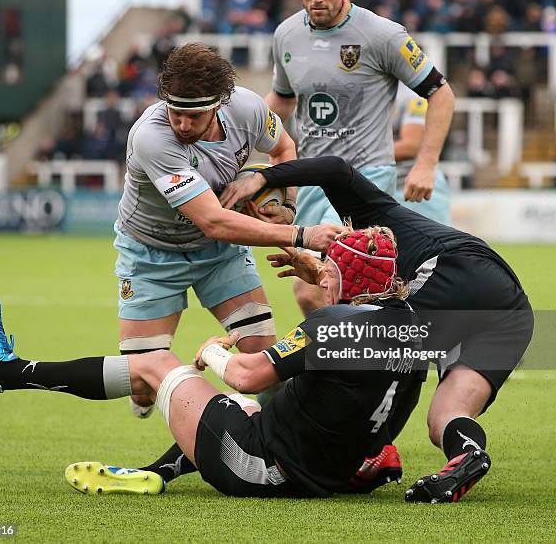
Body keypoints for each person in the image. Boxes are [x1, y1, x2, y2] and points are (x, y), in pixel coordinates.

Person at [0, 226, 428, 498]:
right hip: (333, 473)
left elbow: (247, 376)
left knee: (156, 363)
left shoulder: (334, 323)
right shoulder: (413, 327)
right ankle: (161, 472)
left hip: (261, 467)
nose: (320, 278)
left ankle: (2, 370)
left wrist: (211, 352)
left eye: (326, 271)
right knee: (242, 409)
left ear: (339, 278)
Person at [220, 156, 533, 503]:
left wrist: (261, 177)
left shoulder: (373, 215)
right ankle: (467, 454)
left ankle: (372, 450)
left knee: (374, 347)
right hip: (511, 312)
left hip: (456, 270)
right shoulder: (373, 240)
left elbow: (335, 170)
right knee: (446, 414)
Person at [114, 43, 341, 418]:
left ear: (219, 103)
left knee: (264, 363)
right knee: (141, 386)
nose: (183, 124)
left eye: (195, 115)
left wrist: (286, 205)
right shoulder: (152, 138)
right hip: (151, 254)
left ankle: (266, 440)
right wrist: (300, 234)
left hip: (218, 254)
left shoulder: (249, 108)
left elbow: (284, 148)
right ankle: (150, 393)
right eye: (175, 112)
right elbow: (213, 220)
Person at [263, 0, 455, 317]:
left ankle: (366, 369)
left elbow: (441, 93)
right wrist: (245, 141)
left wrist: (426, 163)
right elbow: (281, 101)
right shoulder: (286, 35)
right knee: (308, 294)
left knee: (336, 282)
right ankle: (351, 366)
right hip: (311, 181)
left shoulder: (383, 35)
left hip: (365, 177)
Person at [393, 85, 451, 225]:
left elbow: (410, 147)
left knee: (436, 245)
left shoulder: (412, 95)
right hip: (385, 186)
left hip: (415, 190)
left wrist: (354, 156)